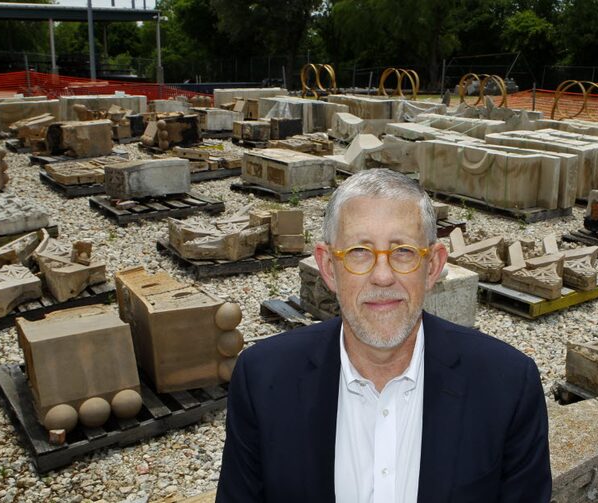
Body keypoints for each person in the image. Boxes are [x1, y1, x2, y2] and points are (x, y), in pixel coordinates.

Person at [217, 169, 552, 502]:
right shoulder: (262, 380)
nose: (382, 276)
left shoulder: (508, 387)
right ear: (329, 267)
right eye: (359, 252)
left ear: (432, 266)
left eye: (403, 251)